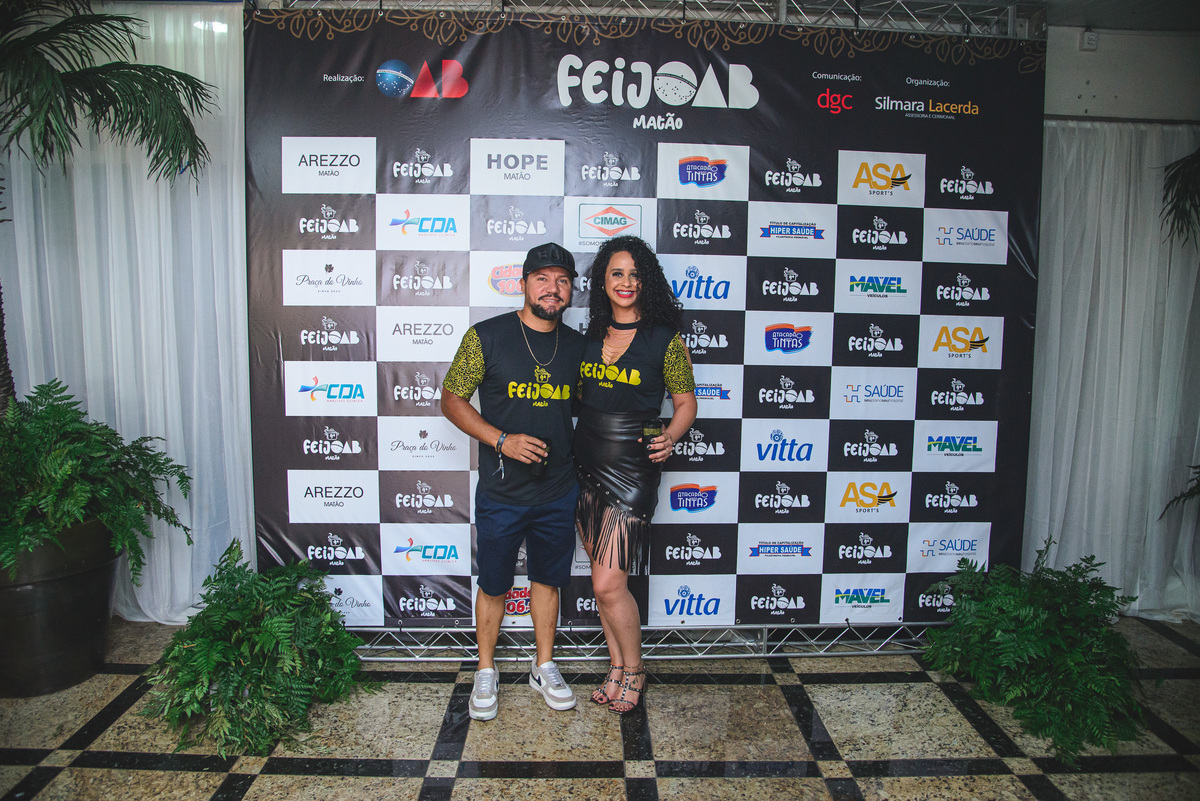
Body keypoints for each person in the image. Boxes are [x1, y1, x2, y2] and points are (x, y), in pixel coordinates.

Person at [441, 242, 587, 721]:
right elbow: (451, 399)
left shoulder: (580, 347)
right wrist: (501, 440)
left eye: (562, 280)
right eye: (542, 279)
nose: (552, 288)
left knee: (548, 580)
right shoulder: (486, 336)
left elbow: (598, 404)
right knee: (494, 583)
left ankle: (543, 665)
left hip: (558, 489)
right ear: (523, 284)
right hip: (502, 491)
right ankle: (485, 669)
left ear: (571, 290)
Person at [575, 235, 697, 714]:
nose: (625, 282)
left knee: (609, 584)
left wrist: (671, 435)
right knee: (600, 581)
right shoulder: (589, 338)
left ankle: (636, 669)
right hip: (585, 465)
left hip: (632, 471)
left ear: (646, 282)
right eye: (616, 273)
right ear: (603, 282)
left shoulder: (665, 340)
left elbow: (686, 404)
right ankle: (616, 666)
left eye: (634, 274)